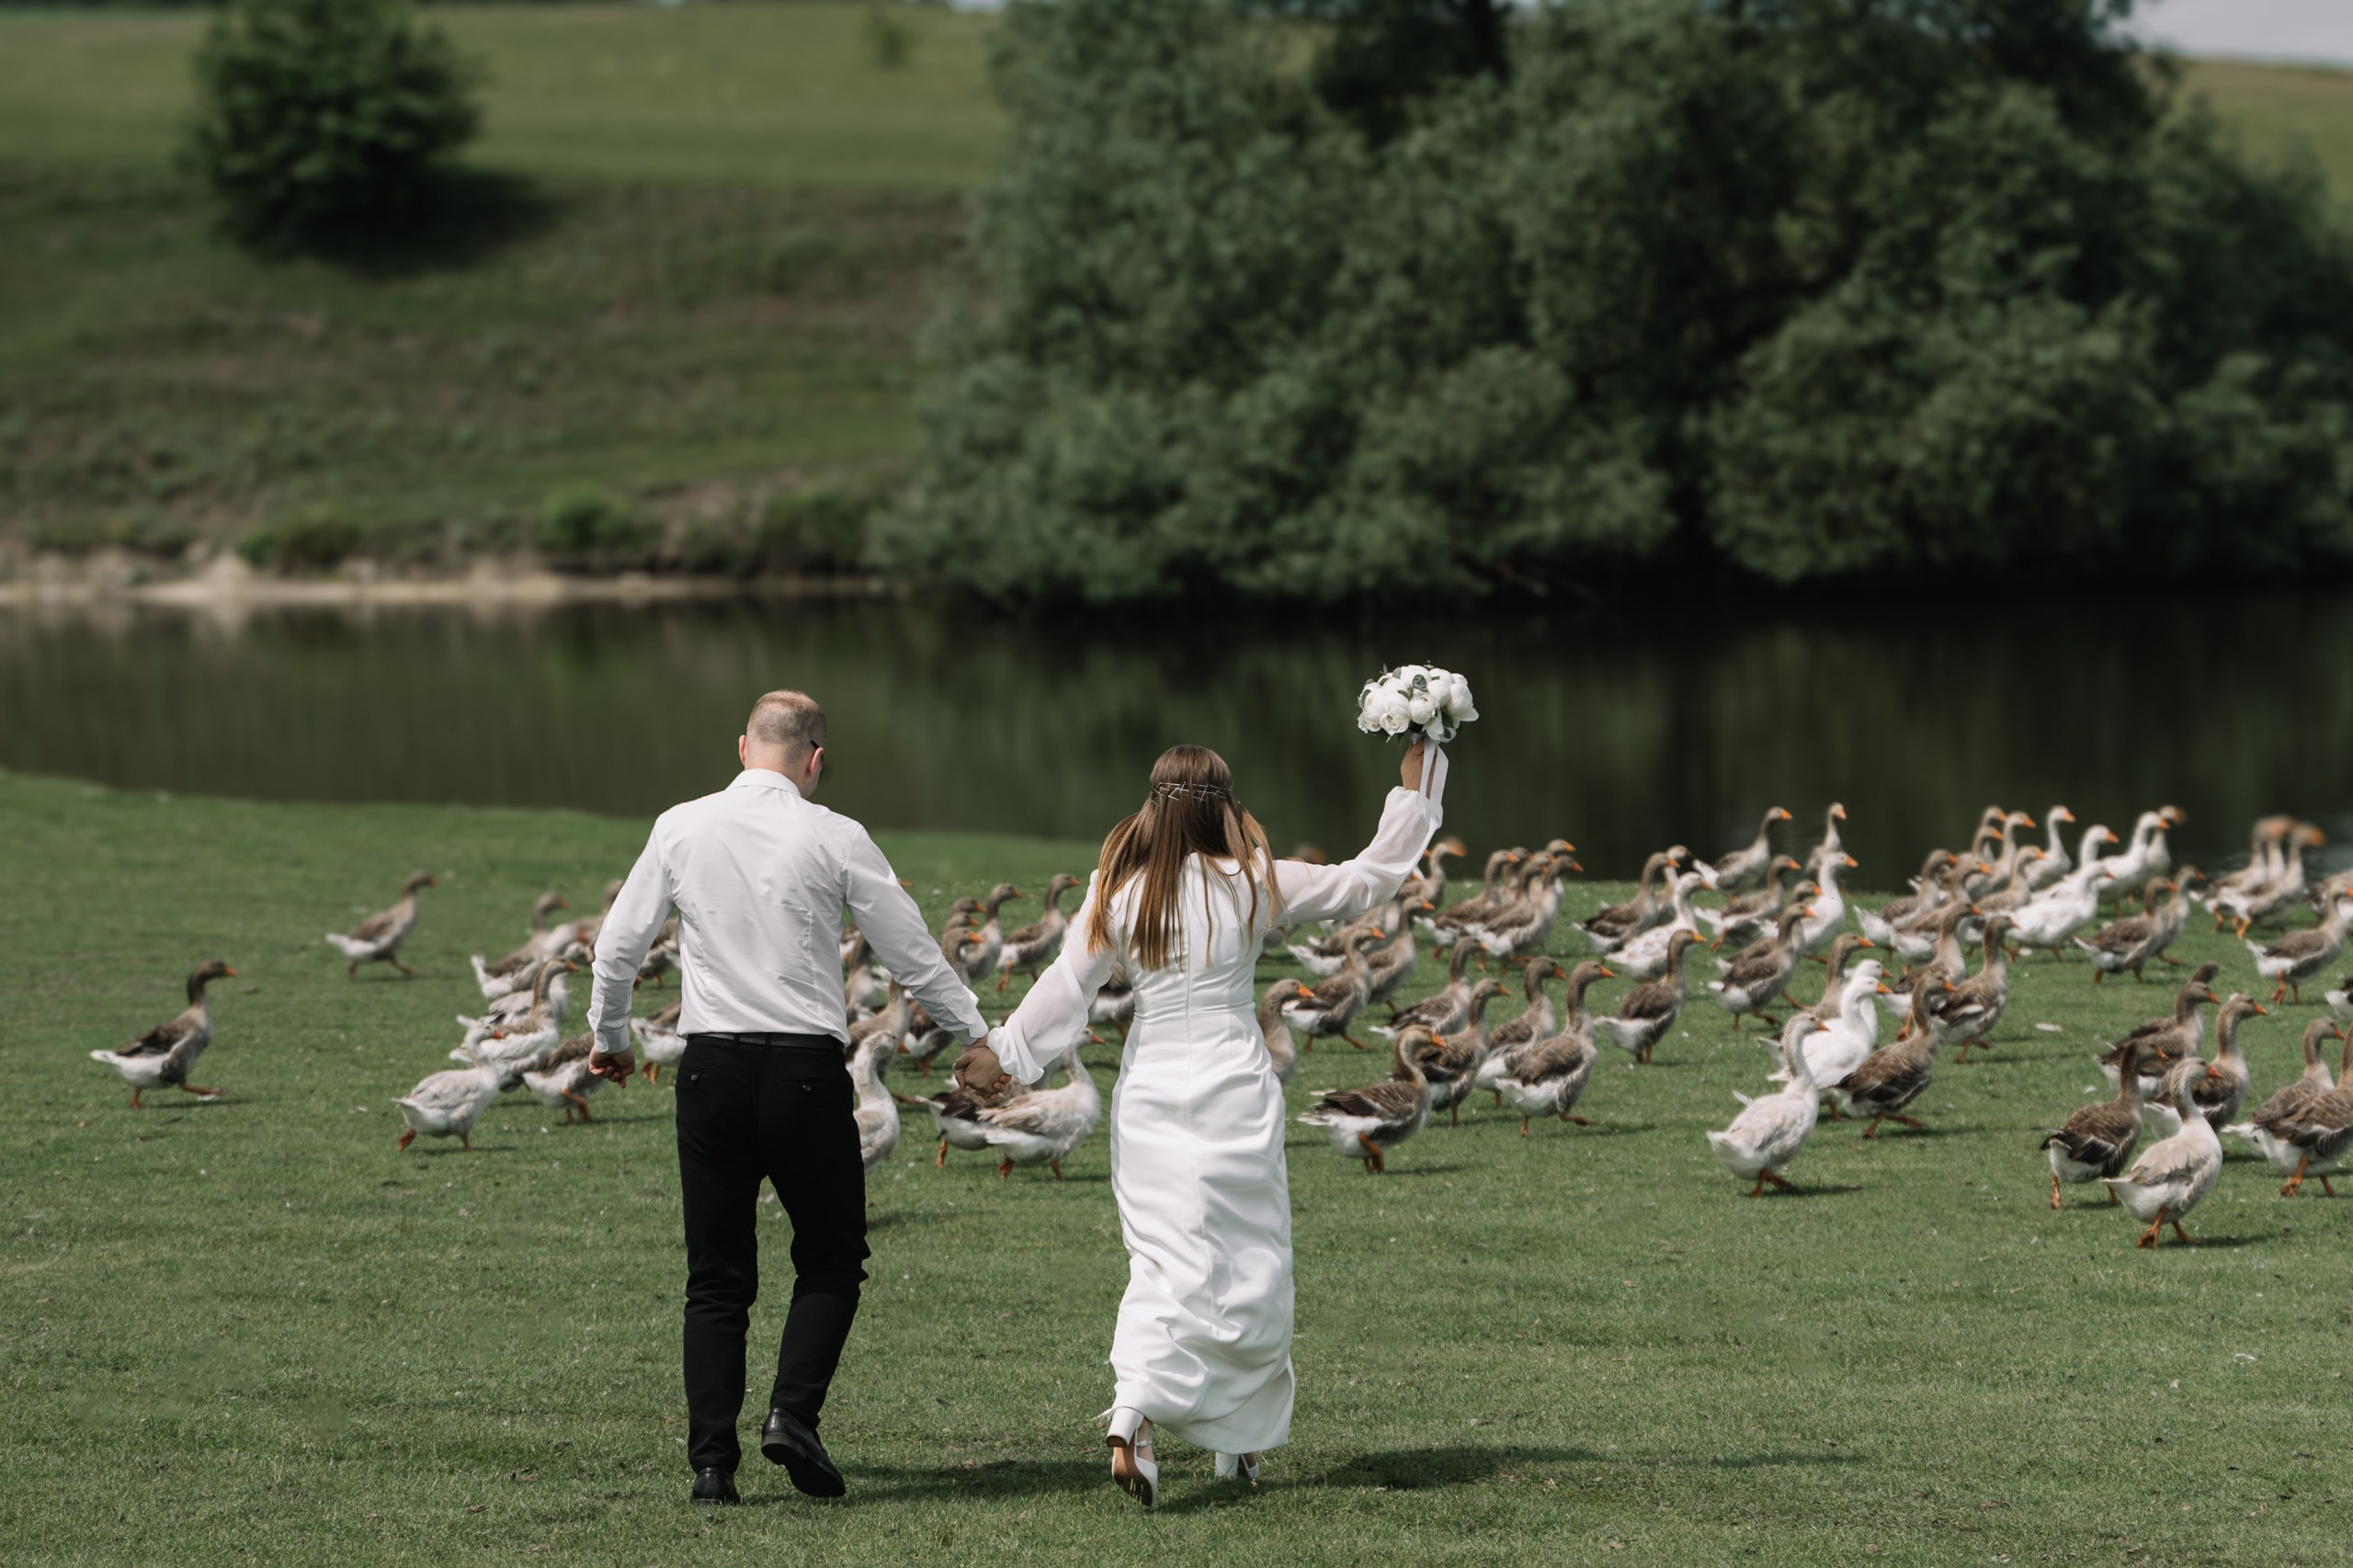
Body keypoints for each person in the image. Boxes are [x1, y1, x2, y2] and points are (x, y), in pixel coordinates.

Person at [955, 737, 1444, 1506]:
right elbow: (1365, 881)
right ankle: (1238, 1438)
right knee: (1251, 1256)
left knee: (1162, 1256)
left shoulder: (1117, 889)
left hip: (1151, 1088)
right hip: (1234, 1086)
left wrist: (1007, 1054)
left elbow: (1068, 981)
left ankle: (1136, 1412)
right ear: (1226, 805)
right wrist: (1416, 791)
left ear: (1152, 805)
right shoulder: (1255, 882)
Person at [585, 689, 989, 1506]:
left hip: (712, 1071)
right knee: (834, 1255)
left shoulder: (680, 825)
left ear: (743, 748)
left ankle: (711, 1468)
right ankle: (791, 1417)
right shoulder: (836, 834)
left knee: (717, 1278)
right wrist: (974, 1032)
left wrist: (611, 1039)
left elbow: (618, 946)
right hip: (806, 1073)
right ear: (814, 759)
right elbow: (908, 948)